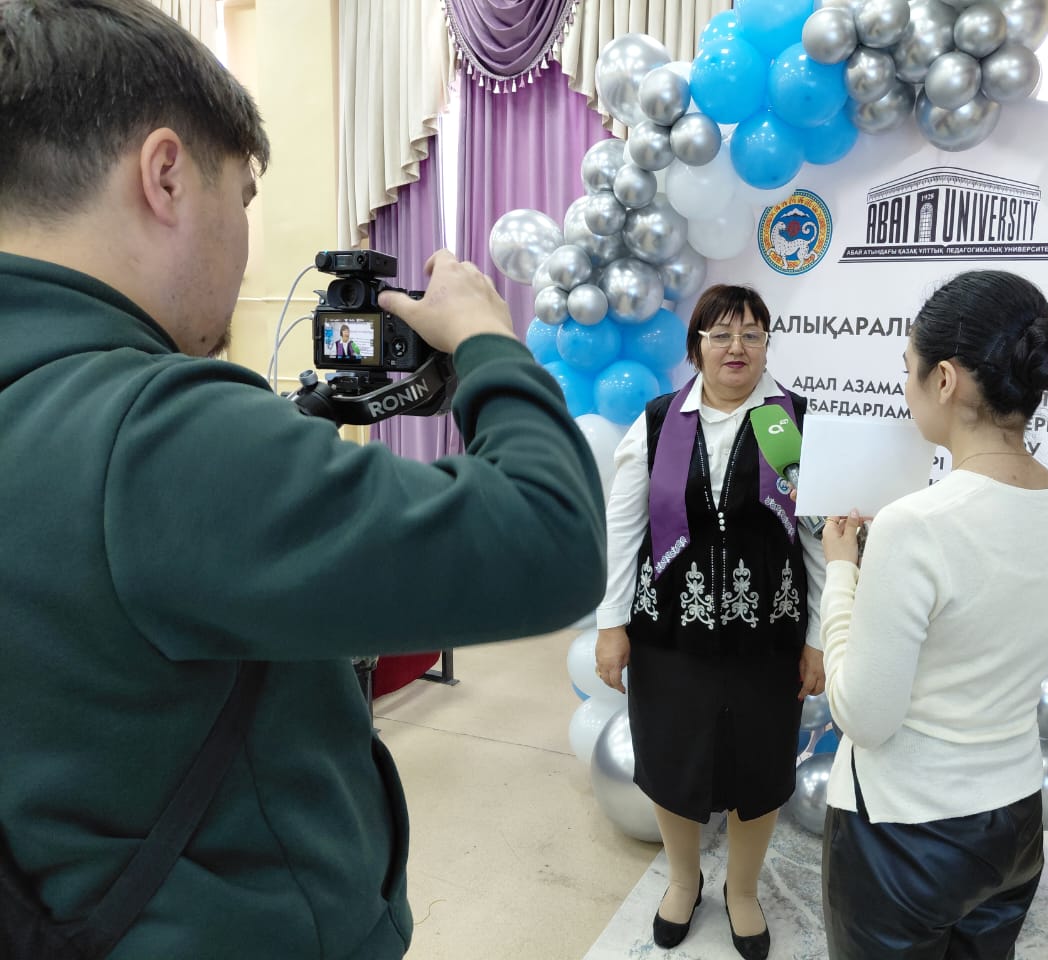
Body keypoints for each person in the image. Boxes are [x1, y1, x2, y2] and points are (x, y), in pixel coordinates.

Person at [0, 2, 605, 958]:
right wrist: (489, 339)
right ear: (165, 175)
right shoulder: (156, 432)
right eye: (243, 198)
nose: (247, 237)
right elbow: (552, 538)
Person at [818, 270, 1048, 960]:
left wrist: (843, 572)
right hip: (1012, 825)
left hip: (906, 835)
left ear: (944, 380)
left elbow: (863, 716)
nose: (905, 387)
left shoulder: (919, 524)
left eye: (907, 369)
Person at [595, 284, 826, 960]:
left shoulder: (789, 424)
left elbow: (814, 538)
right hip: (672, 631)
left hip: (767, 633)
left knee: (759, 767)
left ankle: (743, 889)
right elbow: (624, 525)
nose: (737, 347)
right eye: (721, 333)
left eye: (752, 334)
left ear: (766, 346)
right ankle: (684, 879)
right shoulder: (662, 421)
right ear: (696, 344)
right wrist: (613, 623)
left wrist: (816, 639)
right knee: (672, 758)